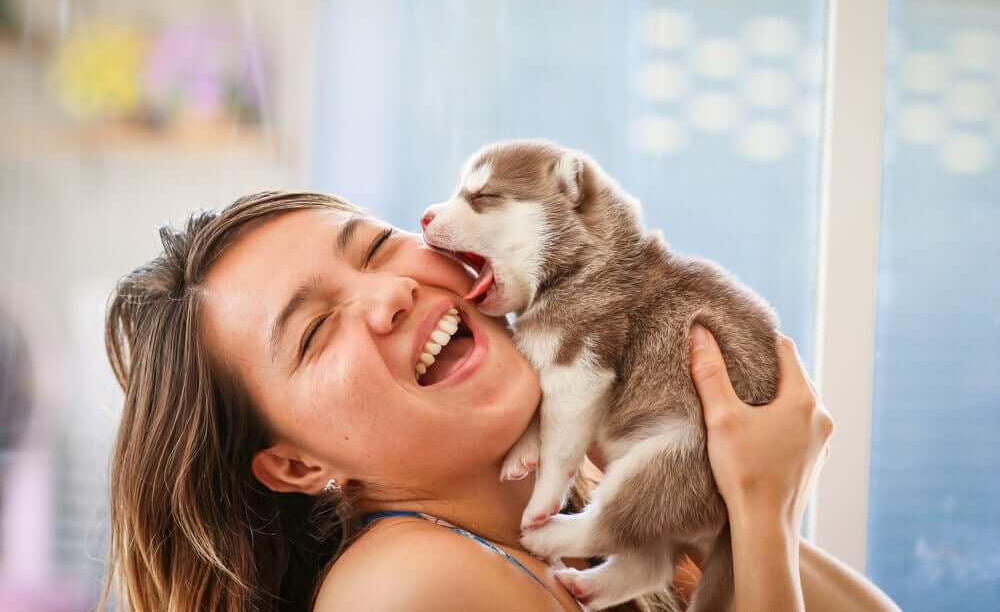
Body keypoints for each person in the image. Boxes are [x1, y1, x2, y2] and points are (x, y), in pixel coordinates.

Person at [102, 191, 900, 611]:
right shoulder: (401, 589)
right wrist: (759, 506)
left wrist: (698, 503)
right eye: (314, 332)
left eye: (378, 247)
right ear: (297, 462)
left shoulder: (554, 532)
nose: (390, 294)